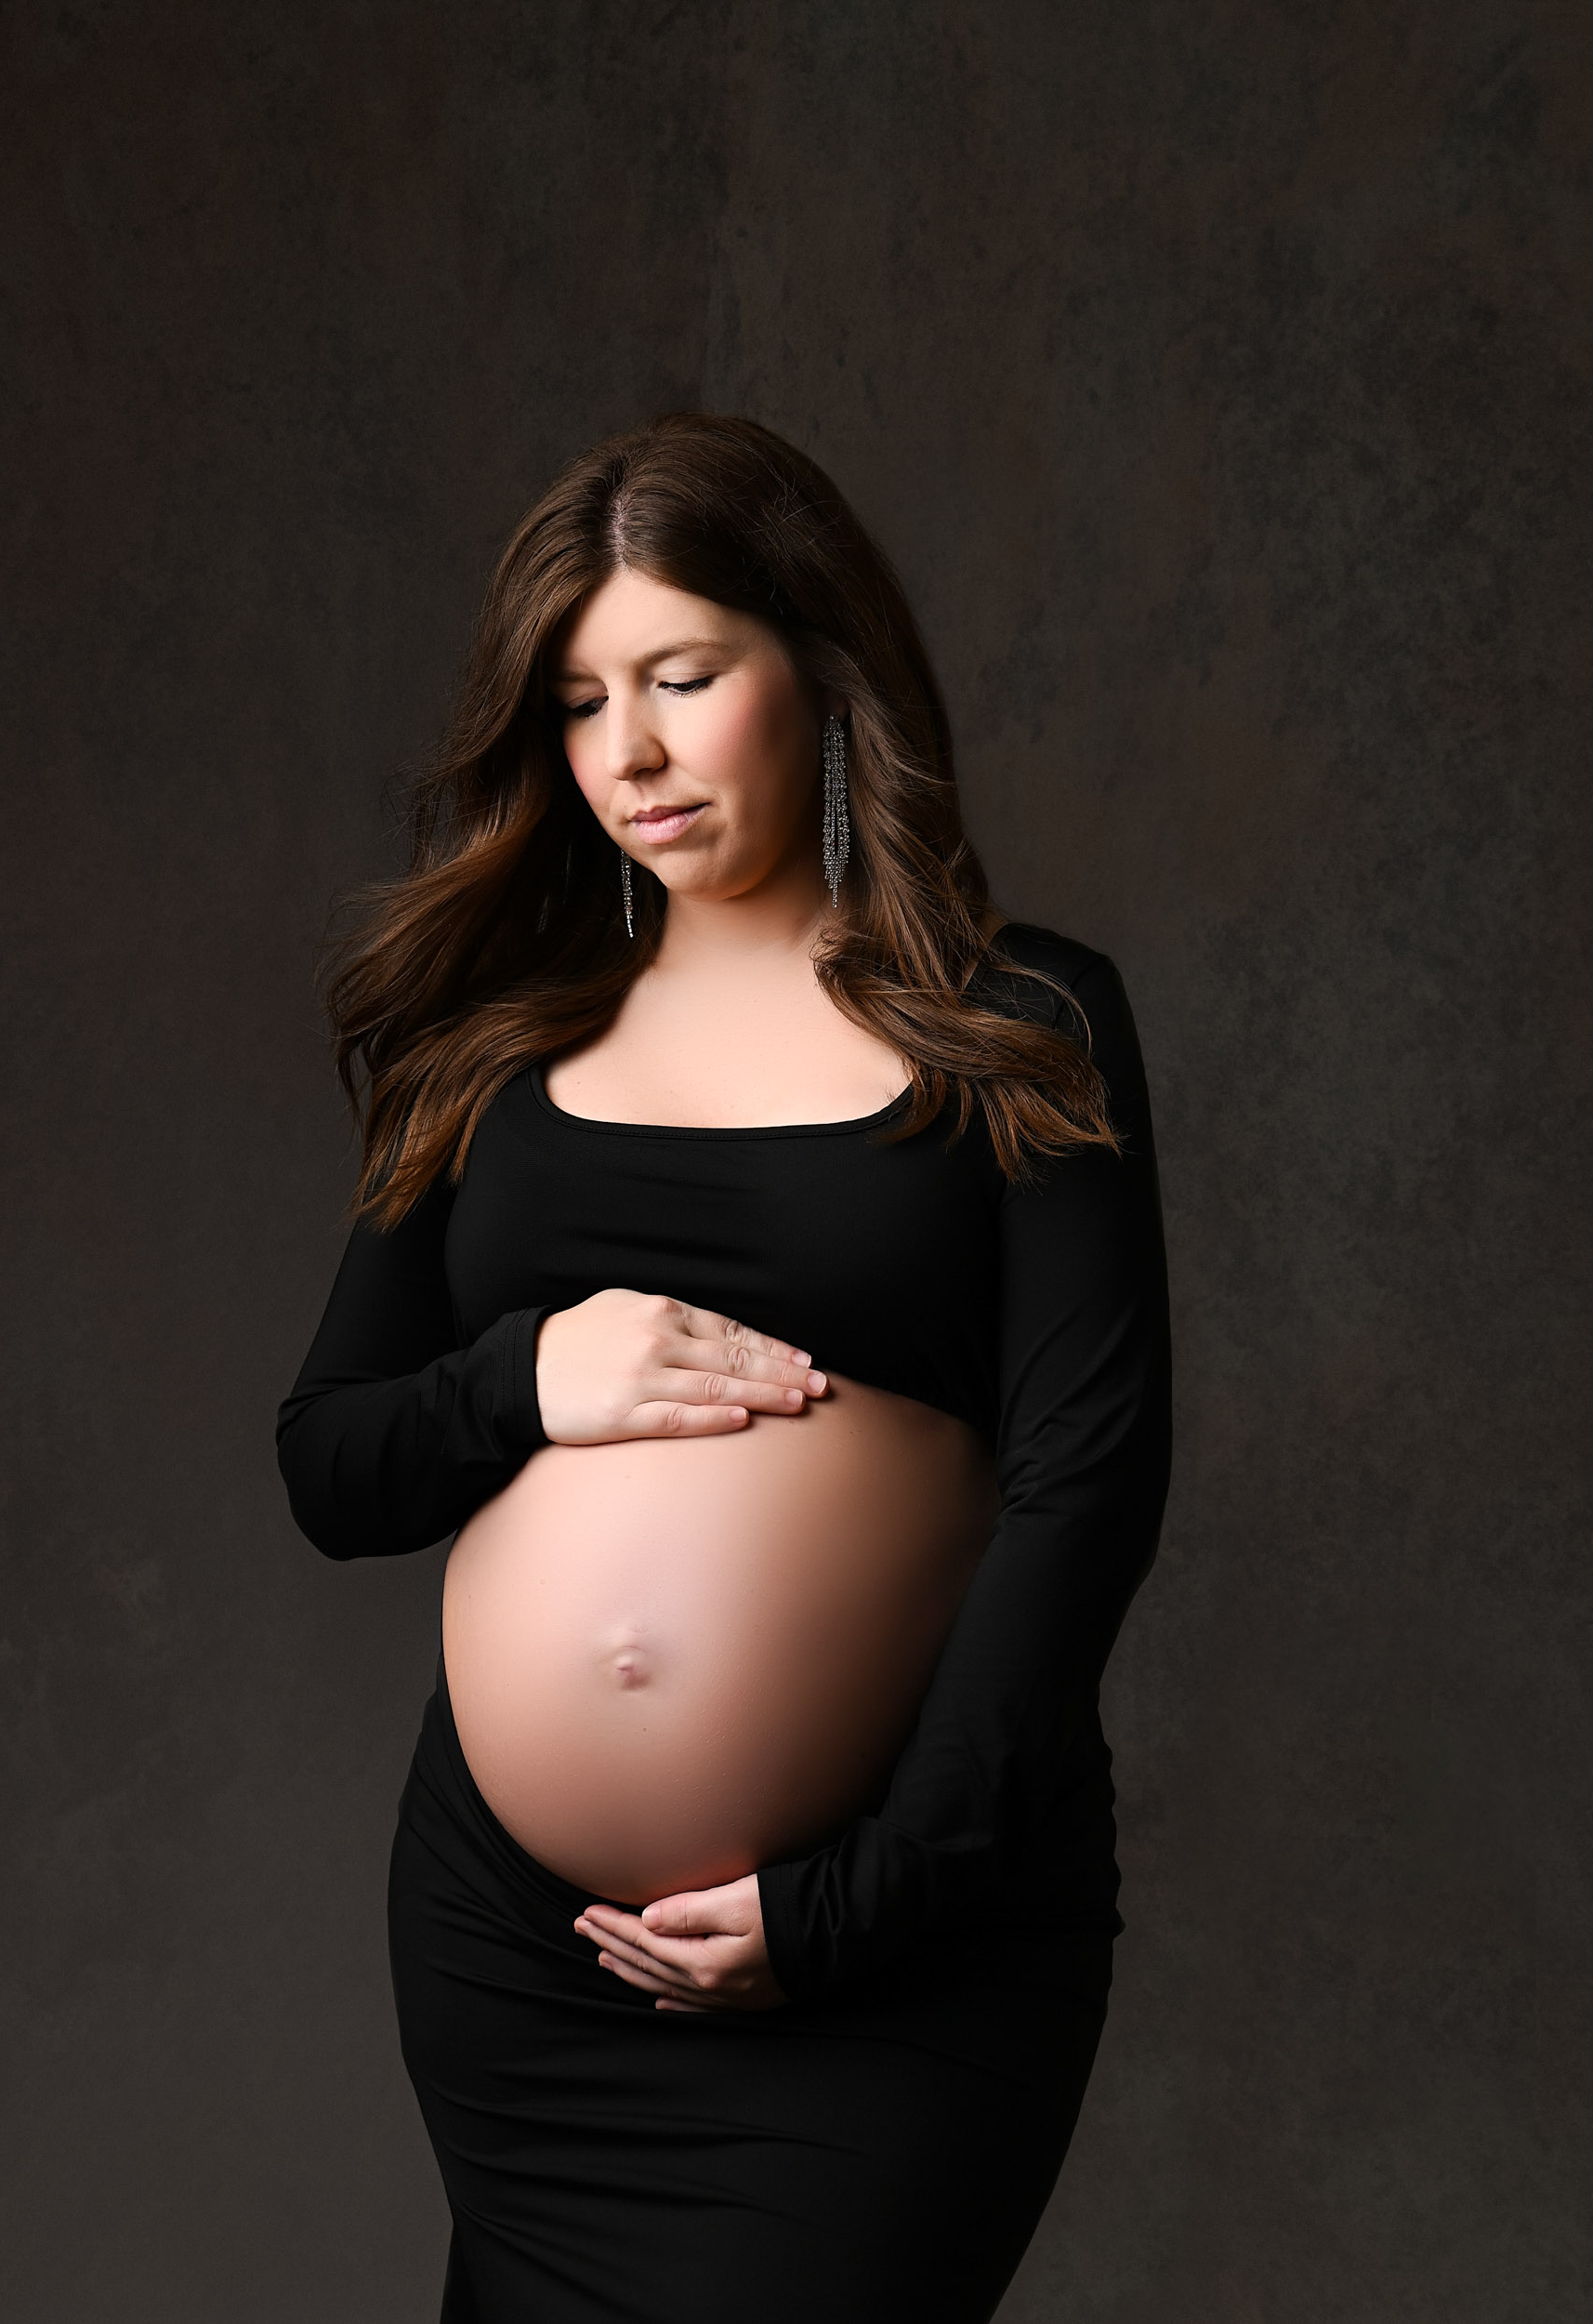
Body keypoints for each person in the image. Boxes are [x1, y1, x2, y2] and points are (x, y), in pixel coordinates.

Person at [276, 413, 1171, 2322]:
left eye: (685, 677)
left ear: (820, 668)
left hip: (900, 1940)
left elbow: (1090, 1490)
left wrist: (871, 1893)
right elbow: (332, 1463)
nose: (633, 751)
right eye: (586, 698)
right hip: (526, 1957)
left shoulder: (1017, 1024)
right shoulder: (490, 1045)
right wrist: (527, 1379)